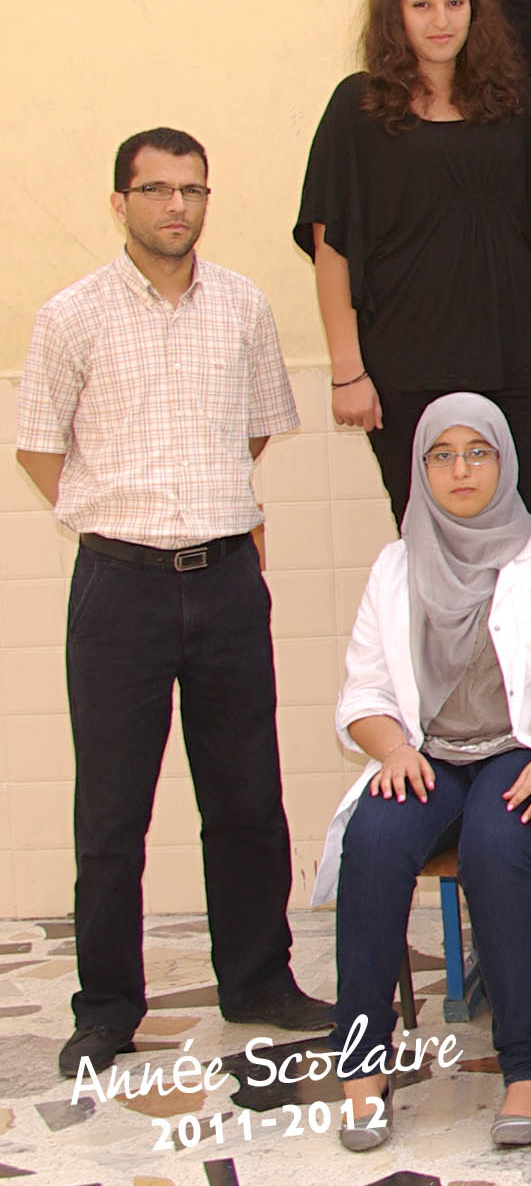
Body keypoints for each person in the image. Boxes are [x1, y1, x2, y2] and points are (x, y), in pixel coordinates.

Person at [17, 128, 325, 1081]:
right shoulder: (71, 315)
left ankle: (258, 980)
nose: (176, 207)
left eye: (192, 189)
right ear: (121, 202)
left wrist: (205, 508)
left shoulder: (242, 305)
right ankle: (108, 1008)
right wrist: (117, 513)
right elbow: (37, 446)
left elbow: (257, 431)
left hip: (225, 578)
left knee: (248, 798)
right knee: (112, 815)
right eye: (155, 190)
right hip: (119, 587)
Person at [315, 395, 531, 1153]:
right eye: (442, 455)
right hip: (426, 753)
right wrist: (391, 750)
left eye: (478, 452)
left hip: (525, 750)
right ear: (420, 470)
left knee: (494, 850)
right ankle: (361, 1066)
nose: (461, 469)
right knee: (373, 843)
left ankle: (528, 1069)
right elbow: (365, 690)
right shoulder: (396, 563)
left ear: (505, 461)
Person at [297, 0, 531, 529]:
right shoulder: (357, 108)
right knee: (427, 531)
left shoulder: (512, 102)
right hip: (406, 364)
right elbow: (331, 247)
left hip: (518, 359)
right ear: (394, 12)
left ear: (476, 7)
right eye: (421, 4)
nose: (441, 21)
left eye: (454, 3)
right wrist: (348, 371)